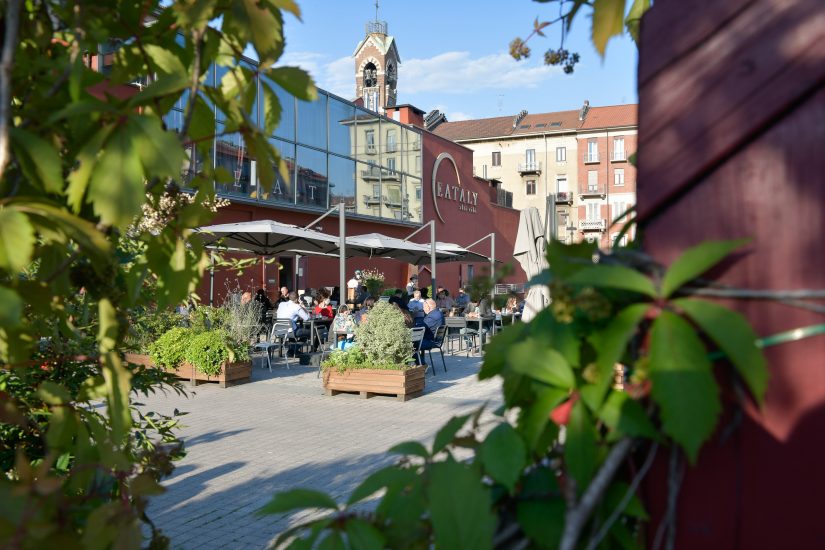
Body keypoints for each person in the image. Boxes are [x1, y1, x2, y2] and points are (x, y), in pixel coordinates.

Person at [417, 299, 445, 364]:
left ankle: (422, 364)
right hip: (435, 340)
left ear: (428, 307)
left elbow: (421, 328)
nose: (423, 309)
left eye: (423, 307)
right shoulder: (439, 313)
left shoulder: (431, 317)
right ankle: (420, 363)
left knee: (410, 345)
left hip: (431, 341)